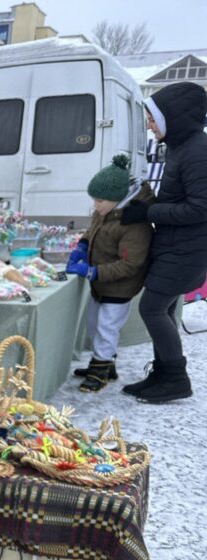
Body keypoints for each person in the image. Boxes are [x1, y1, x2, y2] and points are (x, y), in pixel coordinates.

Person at [118, 81, 207, 403]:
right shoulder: (184, 147)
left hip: (187, 249)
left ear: (174, 118)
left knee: (152, 308)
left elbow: (200, 207)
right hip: (175, 245)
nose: (148, 125)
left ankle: (175, 378)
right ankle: (163, 372)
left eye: (153, 119)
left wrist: (149, 212)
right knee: (164, 309)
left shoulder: (198, 151)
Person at [67, 154, 154, 392]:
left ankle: (99, 370)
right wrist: (83, 245)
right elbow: (93, 230)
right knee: (94, 324)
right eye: (94, 200)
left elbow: (130, 264)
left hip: (119, 287)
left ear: (117, 199)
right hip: (101, 284)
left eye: (99, 201)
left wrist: (94, 272)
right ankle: (106, 363)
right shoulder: (105, 212)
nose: (95, 205)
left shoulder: (133, 225)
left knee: (107, 327)